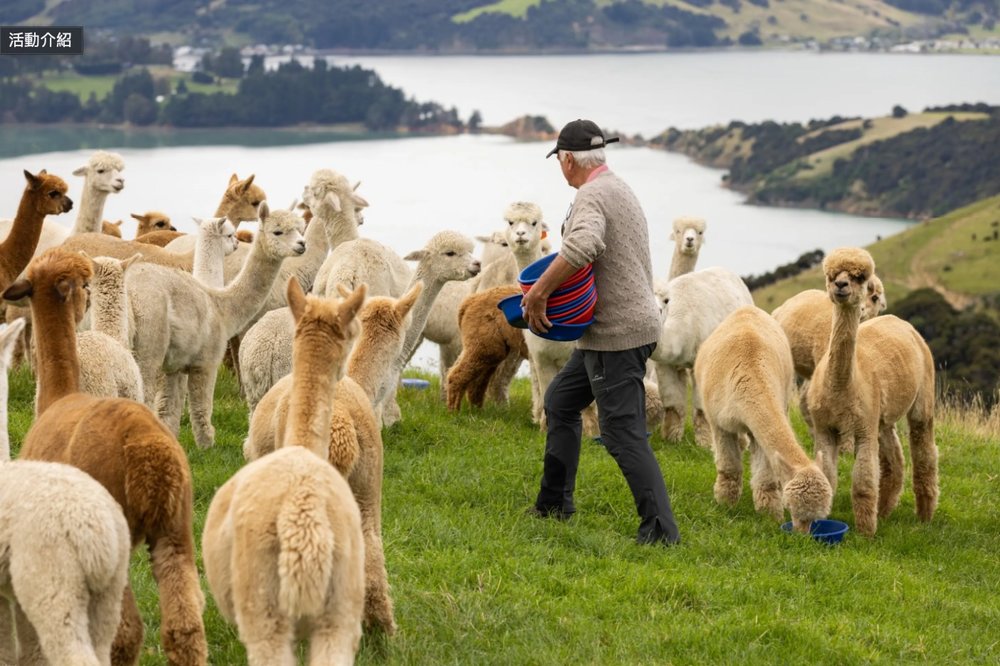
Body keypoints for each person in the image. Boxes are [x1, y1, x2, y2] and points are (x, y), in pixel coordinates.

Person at [523, 118, 680, 546]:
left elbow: (583, 245)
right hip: (611, 329)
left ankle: (661, 532)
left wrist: (538, 293)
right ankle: (554, 504)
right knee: (560, 401)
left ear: (568, 160)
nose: (560, 167)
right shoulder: (616, 186)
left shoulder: (592, 195)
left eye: (559, 160)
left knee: (621, 432)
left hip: (618, 333)